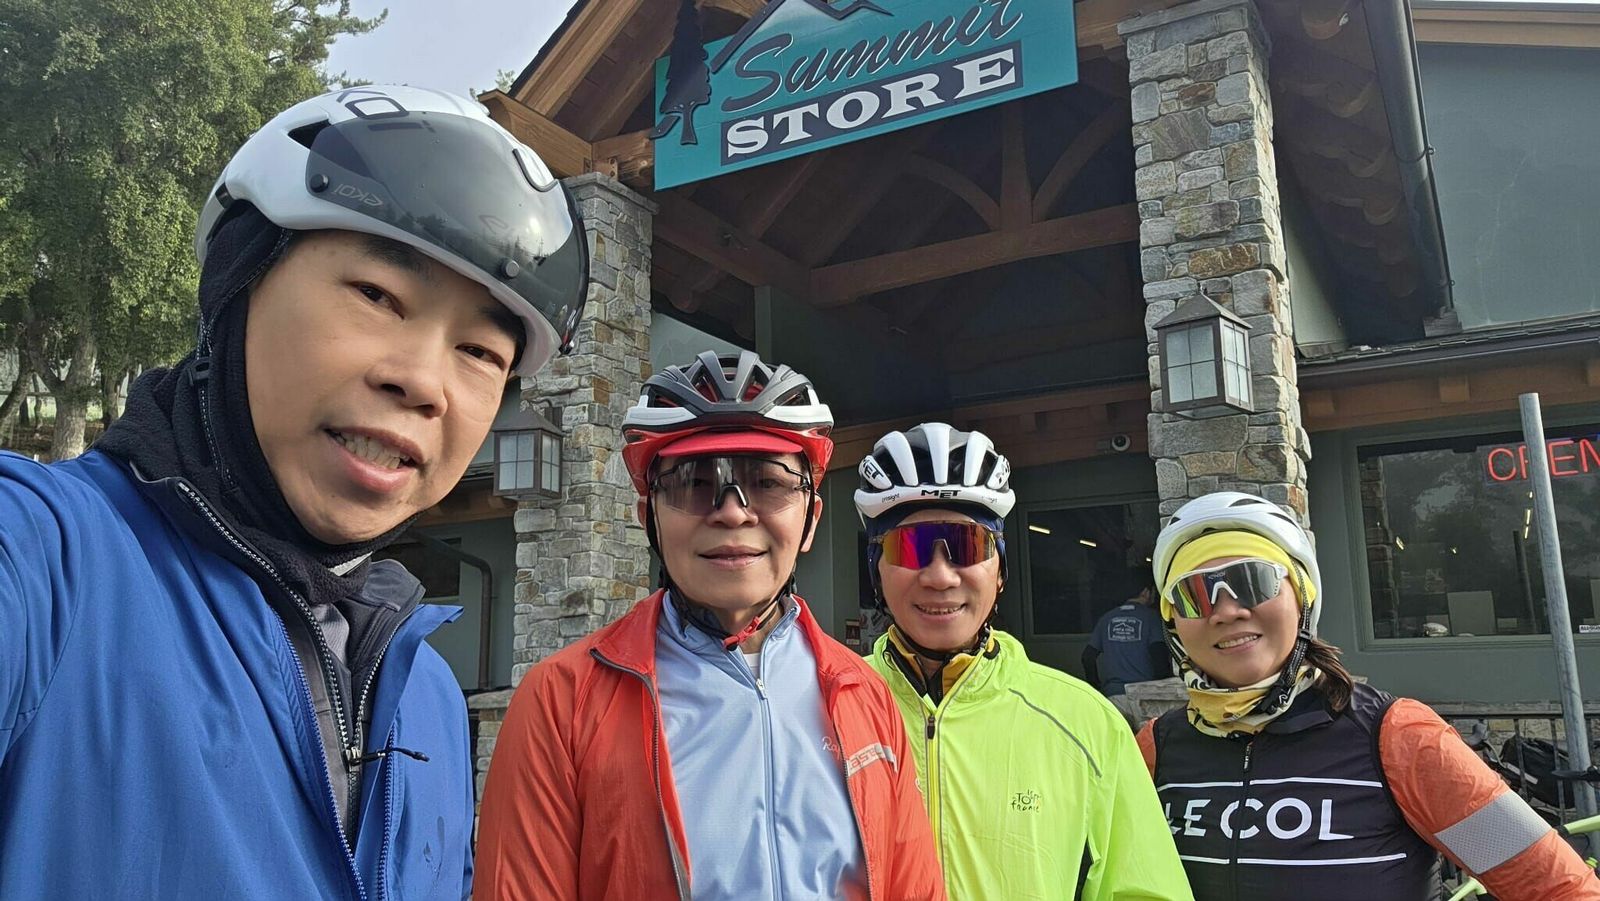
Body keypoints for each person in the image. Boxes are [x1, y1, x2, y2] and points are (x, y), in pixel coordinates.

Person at [0, 85, 589, 898]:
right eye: (377, 295)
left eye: (482, 352)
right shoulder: (44, 557)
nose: (424, 382)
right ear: (234, 286)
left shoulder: (428, 697)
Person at [475, 351, 944, 900]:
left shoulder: (865, 692)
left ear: (811, 519)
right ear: (647, 518)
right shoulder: (560, 702)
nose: (732, 512)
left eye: (768, 482)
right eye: (693, 482)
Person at [1139, 491, 1600, 900]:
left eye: (1252, 581)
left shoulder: (1399, 738)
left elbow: (1557, 889)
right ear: (1174, 624)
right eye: (1193, 595)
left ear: (1302, 596)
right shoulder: (1155, 748)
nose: (1226, 610)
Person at [855, 422, 1192, 900]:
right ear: (876, 570)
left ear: (1000, 570)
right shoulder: (826, 710)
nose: (940, 577)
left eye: (967, 545)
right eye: (909, 547)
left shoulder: (1085, 721)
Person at [1084, 572, 1172, 720]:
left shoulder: (1106, 618)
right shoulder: (1151, 618)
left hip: (1113, 697)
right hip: (1145, 697)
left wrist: (1096, 687)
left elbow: (1087, 657)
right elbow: (1159, 654)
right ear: (1146, 592)